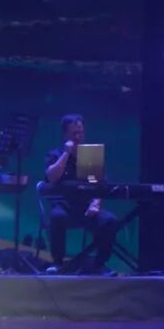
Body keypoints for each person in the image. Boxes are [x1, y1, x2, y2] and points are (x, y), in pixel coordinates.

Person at [40, 114, 119, 274]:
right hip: (63, 206)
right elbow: (52, 177)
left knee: (109, 221)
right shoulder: (55, 154)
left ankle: (99, 264)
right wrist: (66, 153)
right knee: (57, 217)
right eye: (74, 133)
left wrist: (95, 203)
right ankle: (58, 263)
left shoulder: (90, 156)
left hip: (86, 208)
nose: (78, 137)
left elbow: (100, 184)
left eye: (81, 133)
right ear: (65, 134)